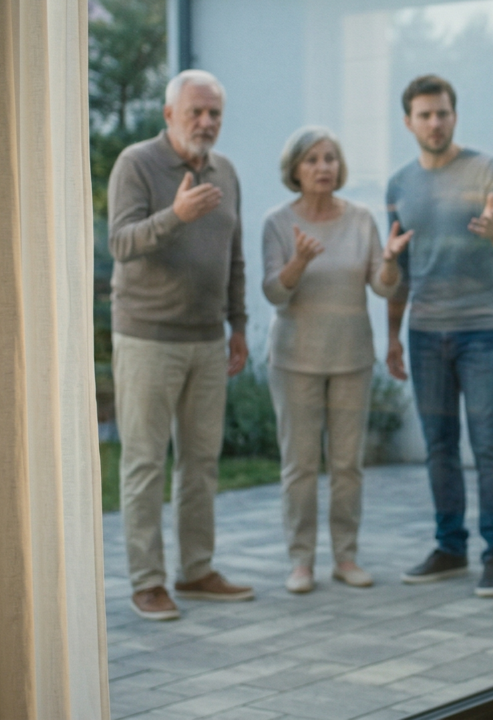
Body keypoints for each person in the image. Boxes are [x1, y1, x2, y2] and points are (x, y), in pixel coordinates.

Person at [108, 69, 256, 621]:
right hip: (147, 337)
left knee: (201, 462)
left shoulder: (227, 172)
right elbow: (121, 243)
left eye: (214, 113)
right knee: (145, 462)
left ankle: (196, 570)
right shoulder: (136, 164)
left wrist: (237, 325)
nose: (206, 122)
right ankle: (146, 582)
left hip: (206, 338)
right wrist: (176, 216)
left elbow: (234, 258)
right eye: (195, 111)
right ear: (169, 114)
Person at [385, 74, 493, 598]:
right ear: (409, 122)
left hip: (482, 332)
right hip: (424, 334)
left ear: (454, 115)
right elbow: (396, 265)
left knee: (488, 445)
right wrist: (393, 336)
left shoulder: (486, 170)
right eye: (424, 115)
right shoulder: (399, 184)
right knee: (439, 446)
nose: (435, 122)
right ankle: (449, 547)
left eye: (442, 113)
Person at [262, 127, 412, 593]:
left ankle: (346, 558)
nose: (323, 167)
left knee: (347, 464)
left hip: (350, 359)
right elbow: (274, 293)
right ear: (294, 170)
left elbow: (383, 286)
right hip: (294, 361)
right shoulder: (277, 223)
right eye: (311, 160)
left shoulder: (362, 219)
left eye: (330, 158)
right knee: (300, 466)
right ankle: (301, 562)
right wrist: (300, 261)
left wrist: (388, 261)